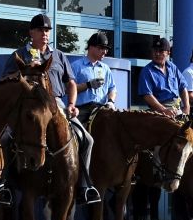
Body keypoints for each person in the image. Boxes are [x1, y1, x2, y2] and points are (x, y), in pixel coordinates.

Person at [13, 14, 100, 205]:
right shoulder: (20, 54)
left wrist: (72, 104)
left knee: (87, 140)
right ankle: (6, 187)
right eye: (40, 30)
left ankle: (84, 187)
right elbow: (8, 79)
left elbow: (71, 83)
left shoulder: (58, 55)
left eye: (47, 30)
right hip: (28, 106)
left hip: (56, 103)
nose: (44, 33)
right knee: (5, 138)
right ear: (31, 32)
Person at [138, 36, 190, 117]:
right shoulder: (147, 71)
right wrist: (164, 110)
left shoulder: (172, 67)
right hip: (159, 110)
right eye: (155, 51)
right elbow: (147, 95)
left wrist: (187, 107)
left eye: (161, 51)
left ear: (168, 53)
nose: (157, 54)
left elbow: (183, 87)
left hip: (177, 108)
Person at [72, 31, 117, 123]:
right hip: (82, 110)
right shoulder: (76, 66)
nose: (105, 52)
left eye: (106, 49)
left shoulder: (105, 68)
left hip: (101, 110)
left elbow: (112, 88)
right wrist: (88, 85)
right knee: (73, 129)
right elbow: (68, 89)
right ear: (91, 47)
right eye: (101, 48)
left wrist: (111, 101)